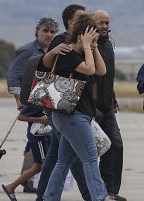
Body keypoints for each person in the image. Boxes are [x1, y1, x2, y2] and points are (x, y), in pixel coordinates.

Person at [40, 14, 115, 201]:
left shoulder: (83, 53)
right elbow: (90, 70)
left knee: (63, 162)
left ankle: (49, 198)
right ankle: (100, 197)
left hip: (77, 116)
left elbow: (101, 71)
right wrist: (87, 46)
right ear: (81, 36)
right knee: (90, 159)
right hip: (72, 116)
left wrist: (93, 47)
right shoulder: (68, 53)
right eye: (92, 38)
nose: (94, 42)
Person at [35, 4, 91, 201]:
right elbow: (45, 64)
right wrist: (54, 51)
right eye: (82, 19)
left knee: (59, 156)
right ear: (71, 22)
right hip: (62, 105)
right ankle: (91, 194)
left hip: (69, 105)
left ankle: (44, 196)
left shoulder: (75, 41)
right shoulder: (62, 40)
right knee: (74, 157)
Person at [6, 17, 58, 193]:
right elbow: (13, 74)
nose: (49, 35)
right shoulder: (28, 51)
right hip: (32, 103)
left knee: (41, 142)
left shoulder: (54, 50)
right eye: (45, 31)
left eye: (52, 32)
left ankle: (33, 180)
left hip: (47, 102)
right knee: (36, 139)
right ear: (37, 32)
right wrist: (19, 100)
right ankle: (28, 181)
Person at [93, 10, 126, 201]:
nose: (105, 26)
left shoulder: (107, 45)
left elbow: (108, 77)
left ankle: (110, 191)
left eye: (107, 23)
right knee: (86, 152)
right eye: (101, 23)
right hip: (92, 107)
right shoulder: (89, 45)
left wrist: (112, 99)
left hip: (107, 106)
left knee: (115, 144)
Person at [2, 107, 51, 201]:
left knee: (37, 167)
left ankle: (11, 187)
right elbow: (21, 116)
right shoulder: (36, 102)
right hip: (38, 138)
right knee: (46, 165)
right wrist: (40, 119)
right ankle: (45, 194)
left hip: (45, 136)